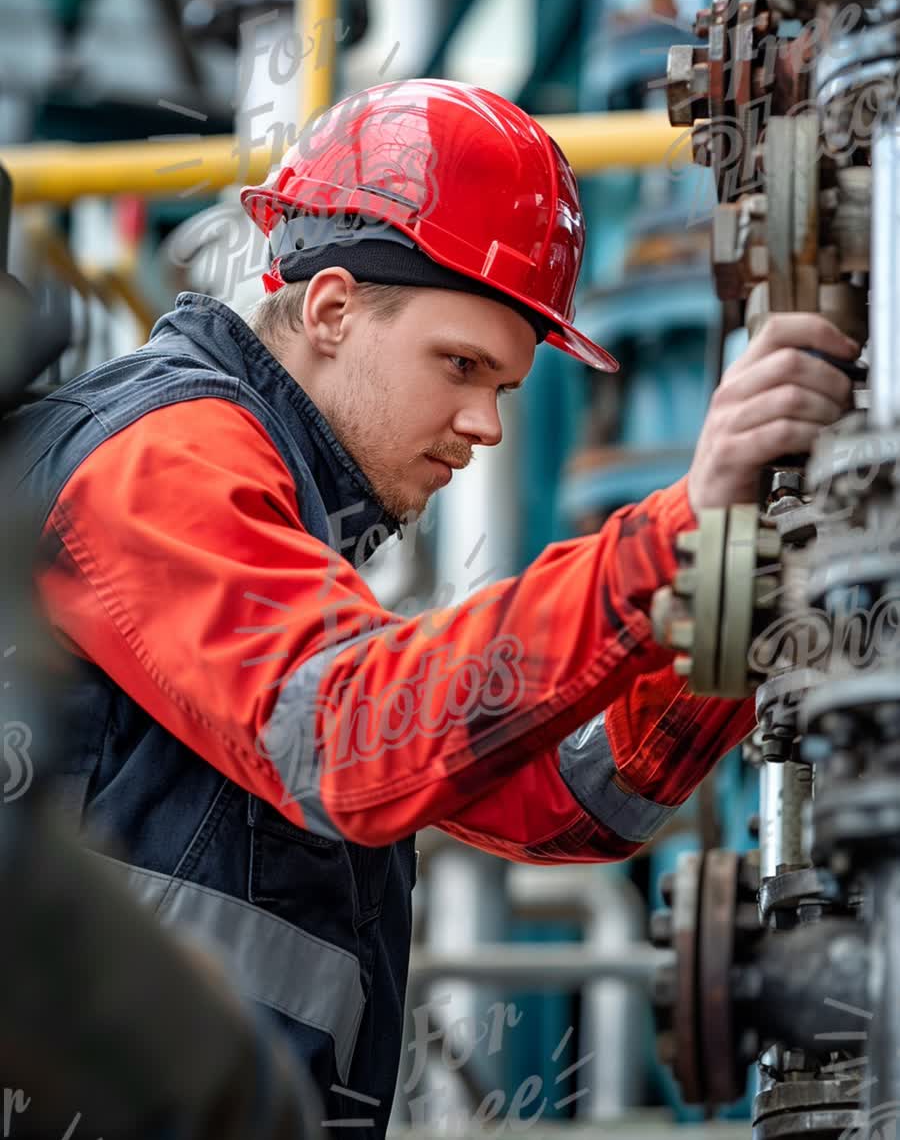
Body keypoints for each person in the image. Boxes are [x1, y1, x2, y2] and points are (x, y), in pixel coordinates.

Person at [11, 79, 858, 1137]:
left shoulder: (290, 525)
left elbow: (572, 792)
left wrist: (747, 571)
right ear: (329, 307)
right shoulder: (160, 459)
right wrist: (673, 534)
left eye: (503, 385)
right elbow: (351, 736)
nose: (486, 424)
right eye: (460, 366)